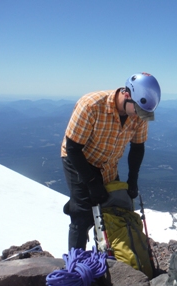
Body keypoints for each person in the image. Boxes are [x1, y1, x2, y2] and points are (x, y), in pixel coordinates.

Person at [61, 72, 161, 251]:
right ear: (127, 95)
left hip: (108, 163)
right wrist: (91, 182)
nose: (140, 116)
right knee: (83, 214)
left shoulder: (139, 112)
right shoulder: (91, 105)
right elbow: (72, 149)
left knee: (111, 207)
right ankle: (76, 265)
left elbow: (137, 148)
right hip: (79, 158)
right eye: (138, 110)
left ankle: (105, 255)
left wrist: (132, 181)